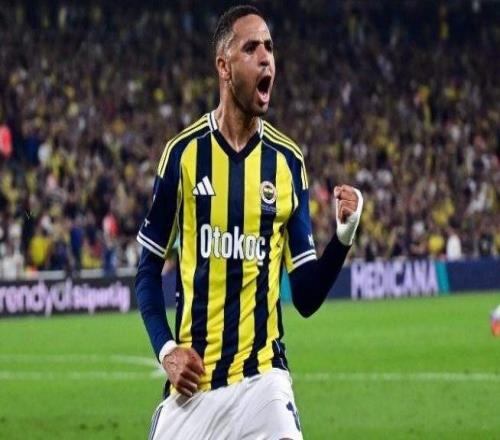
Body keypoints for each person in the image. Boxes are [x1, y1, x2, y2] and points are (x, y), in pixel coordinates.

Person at [135, 5, 363, 439]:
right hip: (194, 386)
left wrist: (344, 236)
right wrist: (166, 351)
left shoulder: (287, 162)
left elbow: (307, 296)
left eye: (270, 48)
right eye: (251, 48)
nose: (266, 58)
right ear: (223, 66)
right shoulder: (183, 155)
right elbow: (147, 271)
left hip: (263, 383)